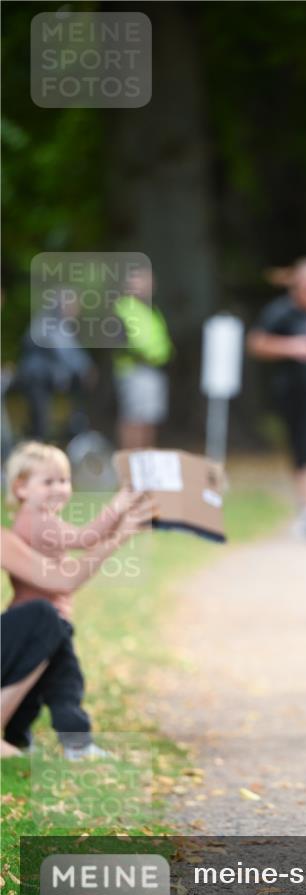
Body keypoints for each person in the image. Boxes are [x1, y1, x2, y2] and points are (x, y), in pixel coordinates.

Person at [3, 441, 152, 757]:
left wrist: (121, 518)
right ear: (21, 489)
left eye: (64, 480)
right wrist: (120, 507)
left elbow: (82, 548)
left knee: (40, 687)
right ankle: (77, 744)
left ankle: (19, 737)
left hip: (44, 623)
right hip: (45, 620)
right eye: (48, 482)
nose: (59, 488)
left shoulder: (34, 522)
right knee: (66, 684)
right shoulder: (39, 522)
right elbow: (87, 539)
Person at [247, 257, 306, 538]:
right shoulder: (280, 312)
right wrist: (291, 347)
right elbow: (256, 343)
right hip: (289, 391)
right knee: (299, 451)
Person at [14, 287, 96, 441]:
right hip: (36, 378)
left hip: (44, 378)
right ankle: (36, 452)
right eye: (73, 305)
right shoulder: (49, 321)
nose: (76, 310)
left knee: (42, 421)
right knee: (40, 423)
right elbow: (64, 348)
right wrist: (86, 368)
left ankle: (66, 433)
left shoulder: (55, 321)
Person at [113, 265, 173, 449]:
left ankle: (145, 462)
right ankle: (129, 463)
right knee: (133, 419)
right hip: (135, 370)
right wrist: (142, 355)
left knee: (149, 420)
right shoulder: (124, 308)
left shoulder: (150, 310)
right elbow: (120, 341)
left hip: (155, 370)